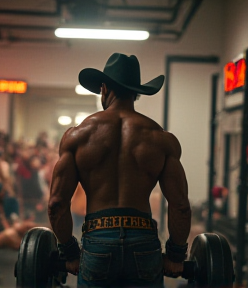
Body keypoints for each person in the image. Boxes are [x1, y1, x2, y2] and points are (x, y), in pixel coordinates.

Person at [48, 53, 191, 287]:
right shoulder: (161, 139)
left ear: (104, 89)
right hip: (143, 242)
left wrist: (70, 252)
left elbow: (56, 204)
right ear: (137, 93)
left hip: (98, 241)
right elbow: (181, 206)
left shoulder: (77, 136)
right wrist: (175, 256)